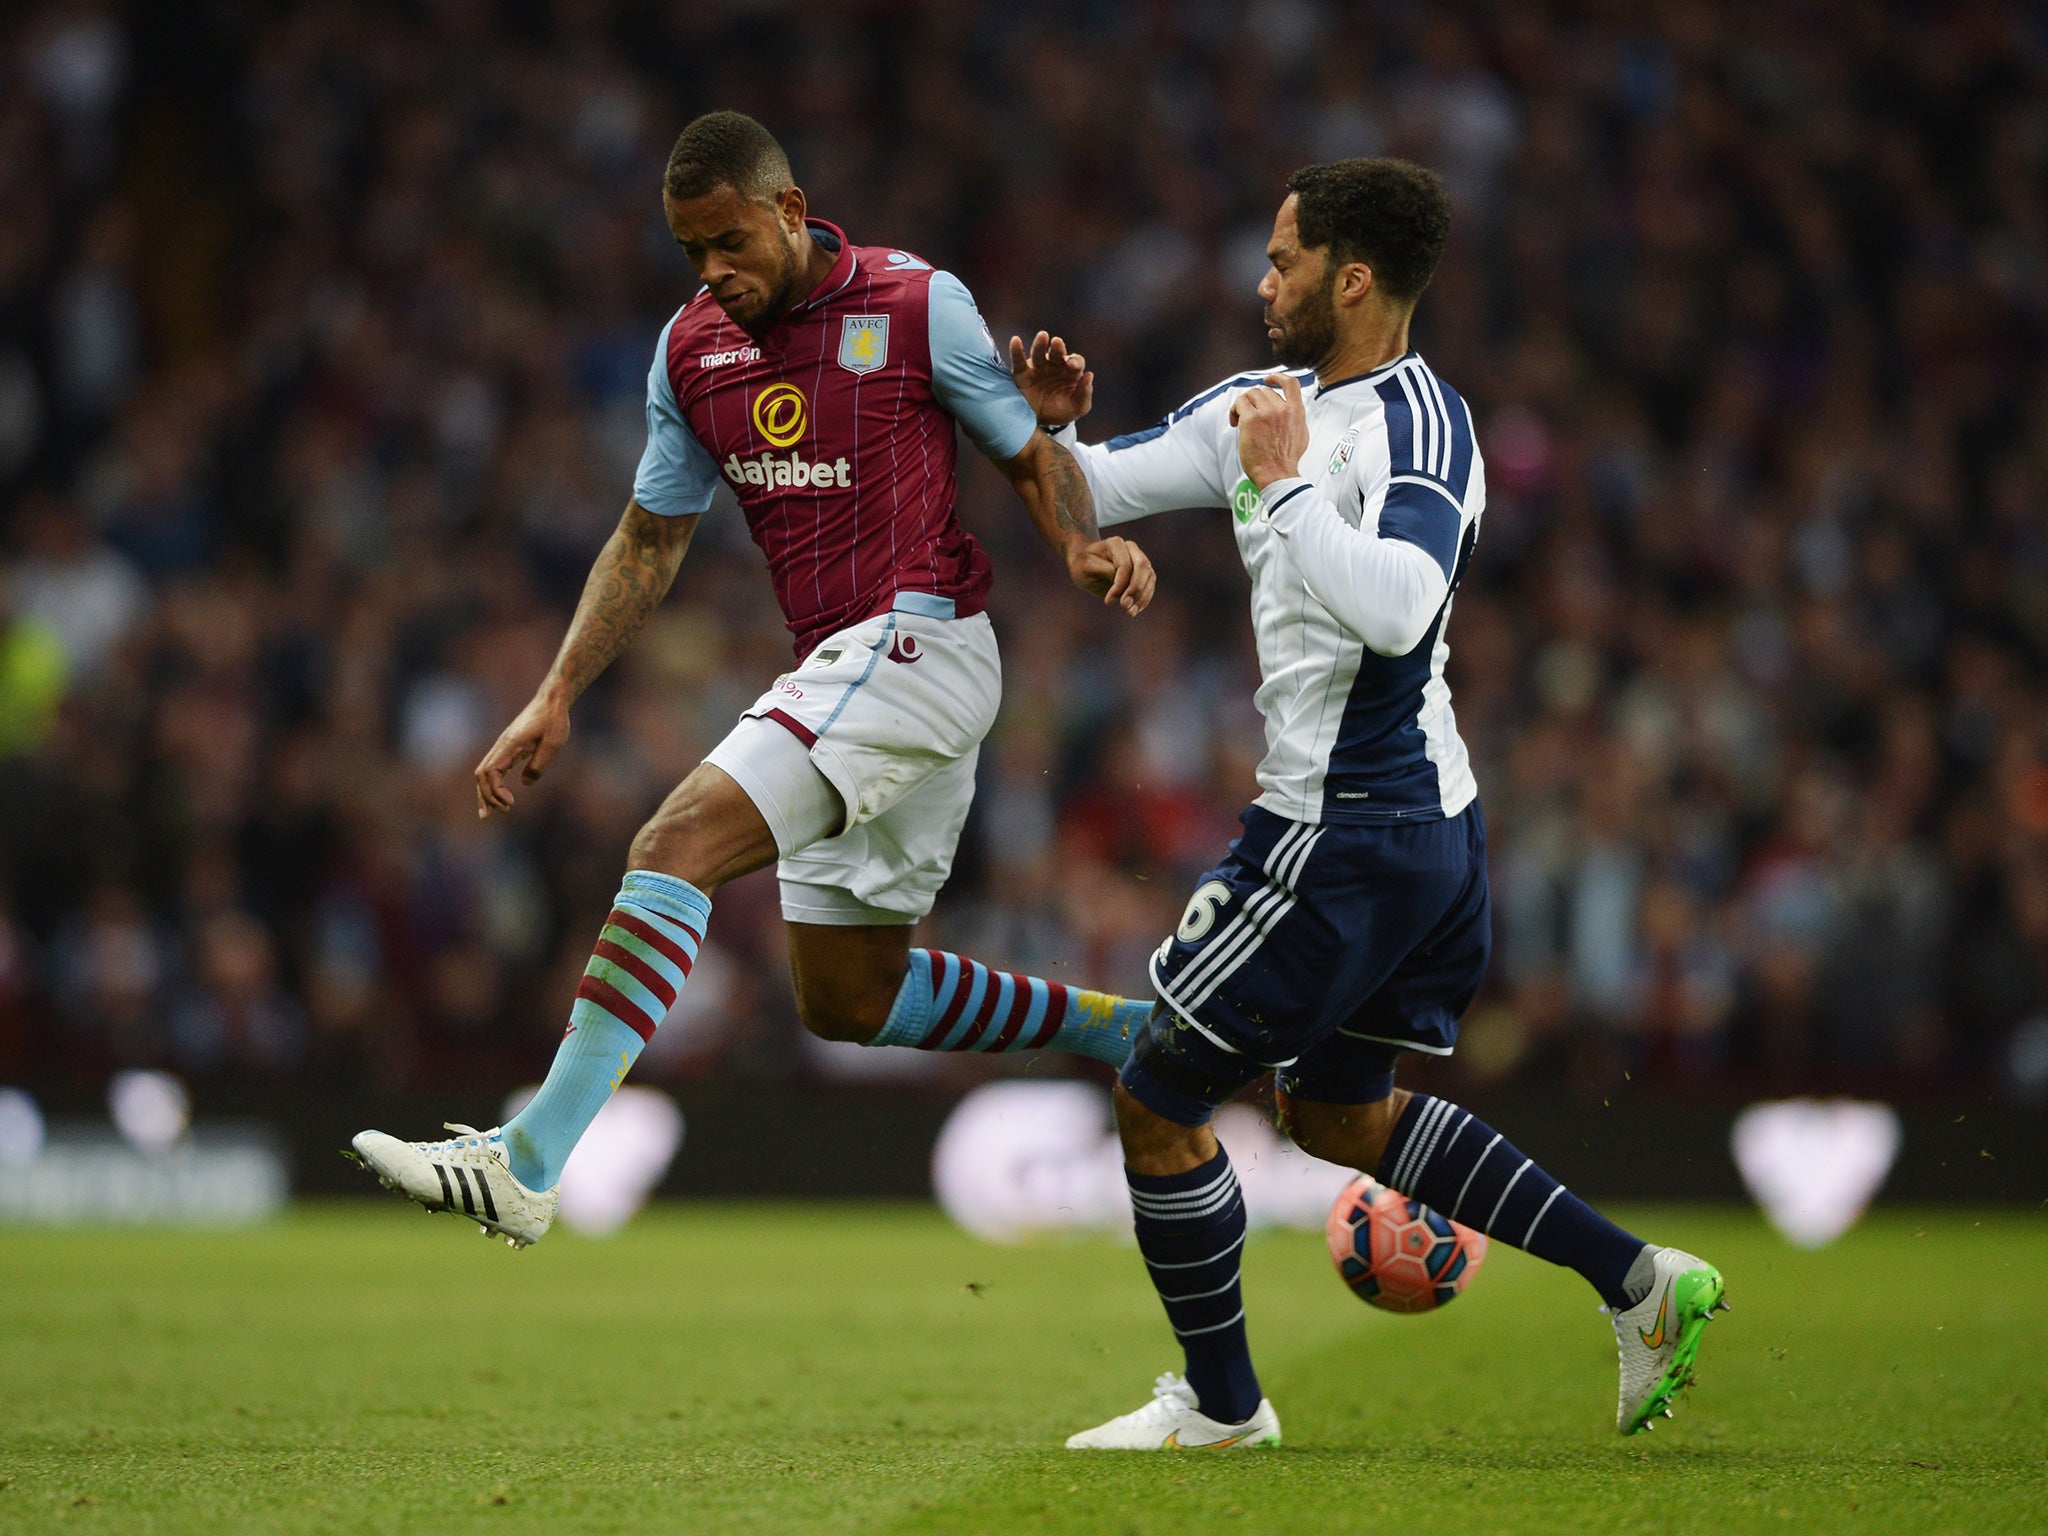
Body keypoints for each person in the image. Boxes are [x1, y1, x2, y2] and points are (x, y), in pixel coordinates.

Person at [1011, 157, 1725, 1448]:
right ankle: (1641, 1283)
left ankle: (1224, 1410)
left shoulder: (1424, 424)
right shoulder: (1255, 404)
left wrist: (1283, 489)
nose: (1262, 279)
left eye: (1282, 259)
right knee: (1339, 1114)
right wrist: (1053, 434)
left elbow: (1403, 605)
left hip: (1349, 833)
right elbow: (1094, 496)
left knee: (1157, 1095)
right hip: (1401, 836)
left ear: (1351, 278)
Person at [351, 111, 1161, 1246]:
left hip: (919, 640)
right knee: (848, 999)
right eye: (690, 251)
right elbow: (648, 540)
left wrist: (1079, 545)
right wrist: (556, 692)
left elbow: (1028, 453)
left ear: (790, 210)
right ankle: (1131, 1032)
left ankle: (528, 1159)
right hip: (847, 670)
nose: (713, 272)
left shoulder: (917, 303)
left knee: (672, 845)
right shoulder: (690, 352)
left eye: (730, 242)